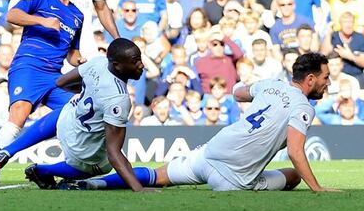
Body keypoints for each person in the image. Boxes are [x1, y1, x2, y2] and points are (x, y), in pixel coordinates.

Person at [77, 52, 340, 192]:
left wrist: (259, 92)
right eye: (325, 78)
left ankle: (98, 183)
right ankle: (98, 183)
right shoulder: (303, 106)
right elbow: (295, 151)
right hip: (234, 180)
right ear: (310, 80)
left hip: (211, 153)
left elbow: (238, 93)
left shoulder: (271, 84)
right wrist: (317, 188)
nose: (328, 83)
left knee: (159, 175)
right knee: (293, 177)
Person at [0, 0, 86, 188]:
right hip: (29, 66)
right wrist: (41, 21)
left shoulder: (78, 15)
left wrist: (81, 61)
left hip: (55, 77)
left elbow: (72, 51)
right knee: (19, 113)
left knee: (77, 114)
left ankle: (64, 171)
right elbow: (12, 15)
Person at [0, 39, 154, 191]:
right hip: (83, 147)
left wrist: (88, 90)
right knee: (103, 165)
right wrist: (138, 189)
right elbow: (114, 152)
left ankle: (8, 150)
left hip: (68, 122)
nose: (141, 65)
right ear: (117, 65)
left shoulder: (98, 62)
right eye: (135, 61)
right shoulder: (119, 99)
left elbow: (60, 82)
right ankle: (44, 171)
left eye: (139, 58)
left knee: (67, 109)